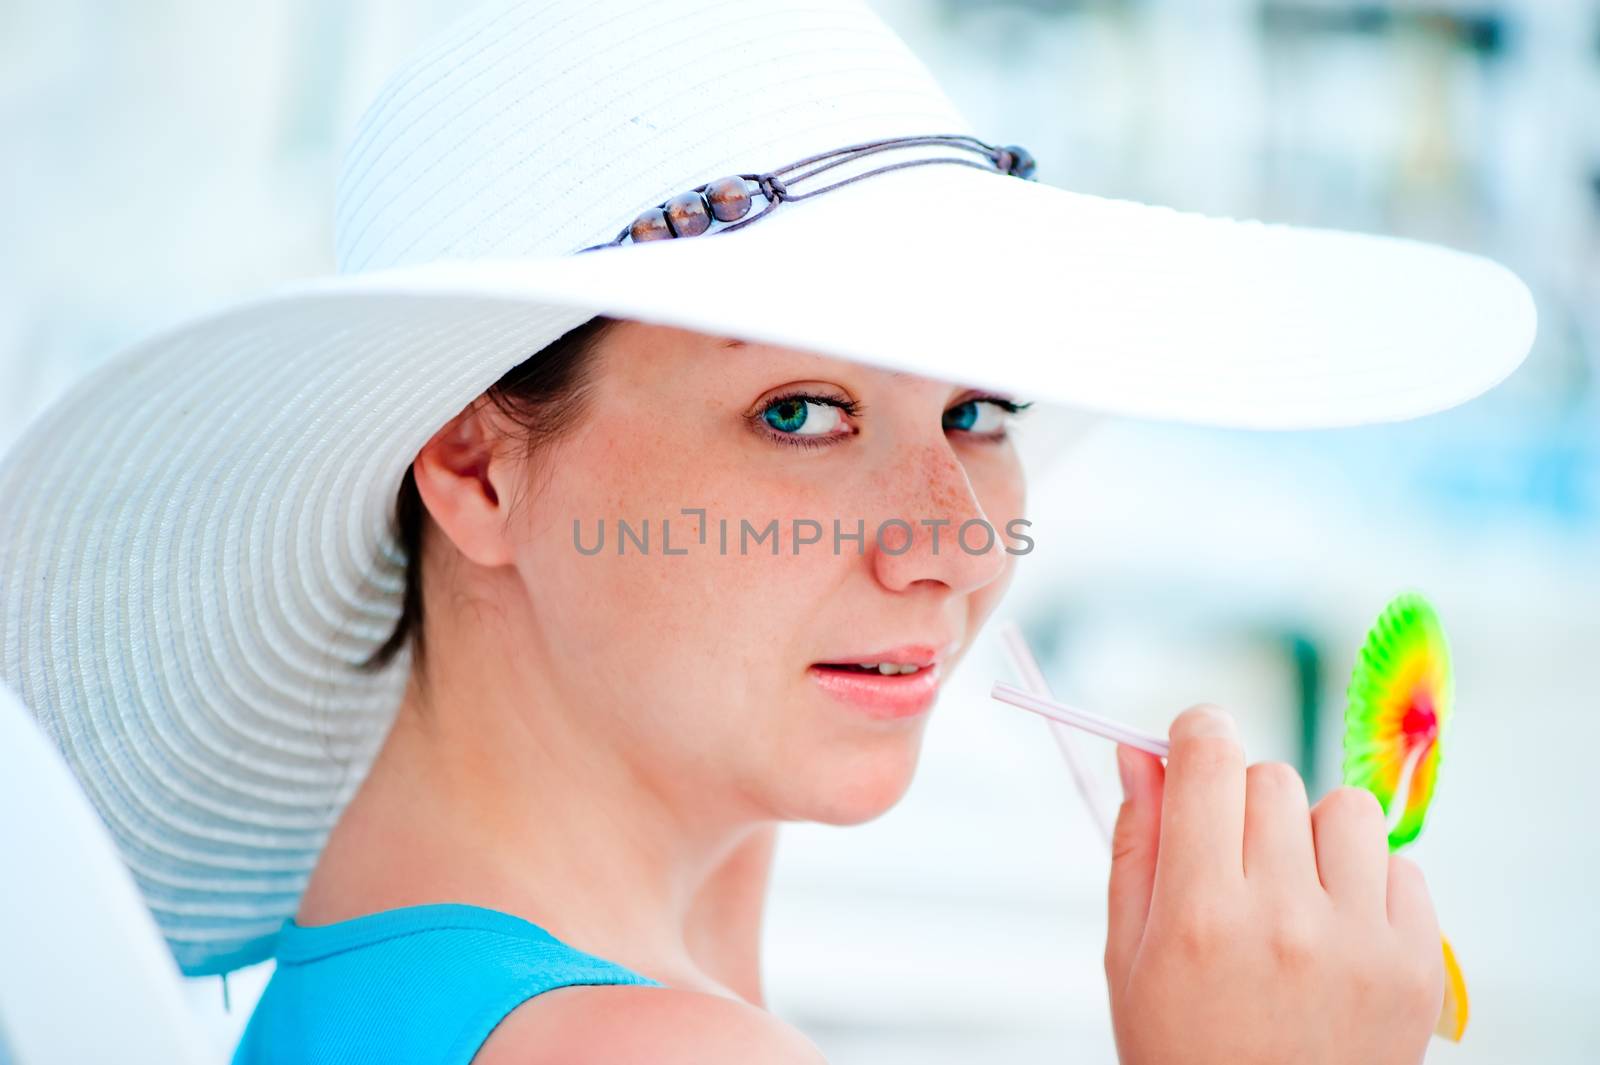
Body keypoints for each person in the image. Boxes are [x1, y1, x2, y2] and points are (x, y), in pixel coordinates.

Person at [0, 0, 1534, 1062]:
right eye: (801, 411)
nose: (948, 540)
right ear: (473, 469)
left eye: (979, 408)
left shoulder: (387, 998)